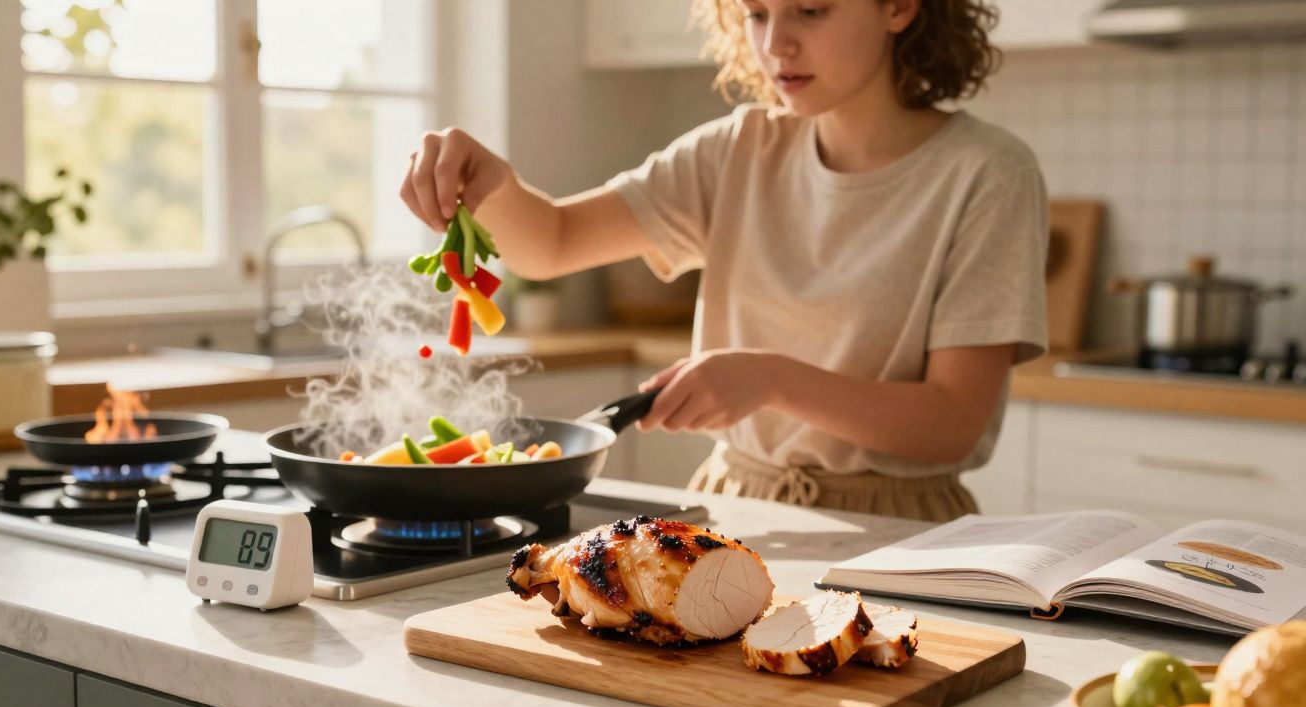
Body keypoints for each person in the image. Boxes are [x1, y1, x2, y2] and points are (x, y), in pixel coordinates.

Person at [399, 0, 1047, 523]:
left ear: (900, 7)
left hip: (901, 531)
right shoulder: (737, 150)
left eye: (811, 11)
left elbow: (952, 424)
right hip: (733, 511)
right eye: (757, 13)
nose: (775, 45)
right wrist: (490, 179)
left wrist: (771, 380)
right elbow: (554, 241)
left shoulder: (988, 174)